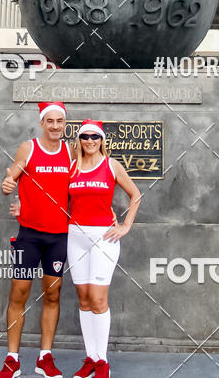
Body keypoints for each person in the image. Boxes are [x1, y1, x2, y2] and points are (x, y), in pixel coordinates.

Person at [0, 101, 72, 378]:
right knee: (19, 293)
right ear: (42, 123)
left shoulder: (70, 152)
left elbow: (80, 187)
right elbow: (11, 179)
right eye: (50, 121)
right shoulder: (28, 149)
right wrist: (9, 188)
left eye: (59, 121)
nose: (55, 126)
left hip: (58, 237)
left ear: (64, 125)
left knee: (52, 294)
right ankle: (12, 358)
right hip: (28, 236)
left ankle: (45, 358)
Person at [68, 120, 141, 378]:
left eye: (95, 136)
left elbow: (136, 195)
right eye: (85, 136)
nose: (90, 141)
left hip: (104, 239)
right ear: (79, 139)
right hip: (75, 237)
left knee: (99, 301)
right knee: (84, 300)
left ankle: (103, 362)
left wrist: (125, 226)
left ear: (102, 140)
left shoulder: (111, 165)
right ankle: (90, 357)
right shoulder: (72, 167)